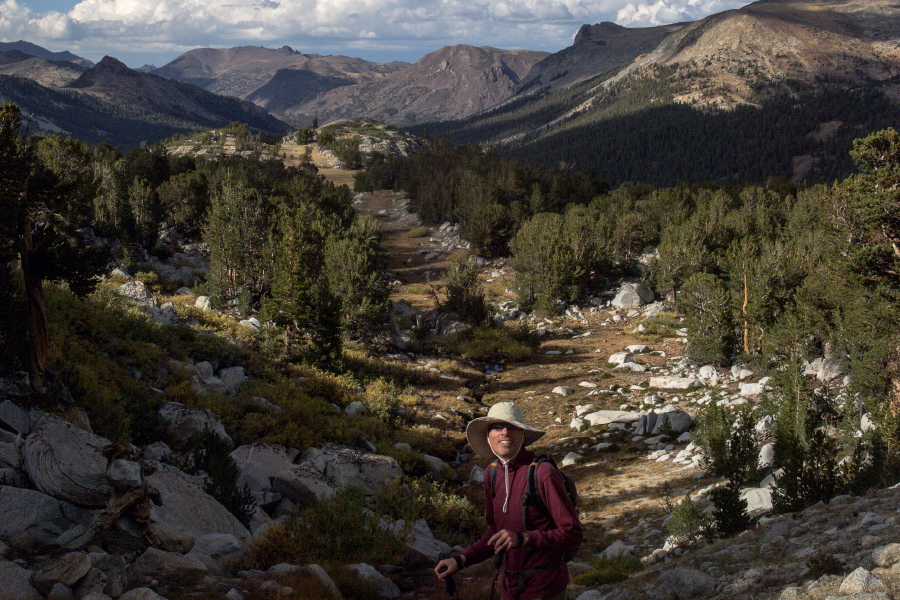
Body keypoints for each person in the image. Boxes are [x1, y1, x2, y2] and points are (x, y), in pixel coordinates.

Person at [435, 401, 582, 600]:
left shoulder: (542, 472)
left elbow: (572, 533)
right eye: (497, 426)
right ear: (488, 436)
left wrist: (524, 538)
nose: (505, 432)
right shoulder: (492, 473)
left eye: (511, 426)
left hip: (545, 589)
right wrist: (460, 560)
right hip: (510, 589)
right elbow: (495, 533)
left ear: (522, 435)